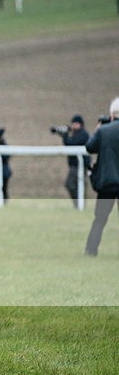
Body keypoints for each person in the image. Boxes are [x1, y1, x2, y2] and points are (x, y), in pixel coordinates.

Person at [84, 97, 119, 256]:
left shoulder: (104, 131)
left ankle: (91, 250)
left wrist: (98, 129)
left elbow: (90, 147)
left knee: (100, 219)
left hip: (108, 182)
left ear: (112, 114)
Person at [51, 114, 91, 207]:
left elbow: (71, 144)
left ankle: (79, 205)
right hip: (75, 165)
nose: (73, 126)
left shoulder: (83, 134)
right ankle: (79, 205)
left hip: (80, 166)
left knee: (71, 184)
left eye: (76, 123)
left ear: (80, 124)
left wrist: (65, 135)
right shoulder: (76, 134)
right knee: (75, 185)